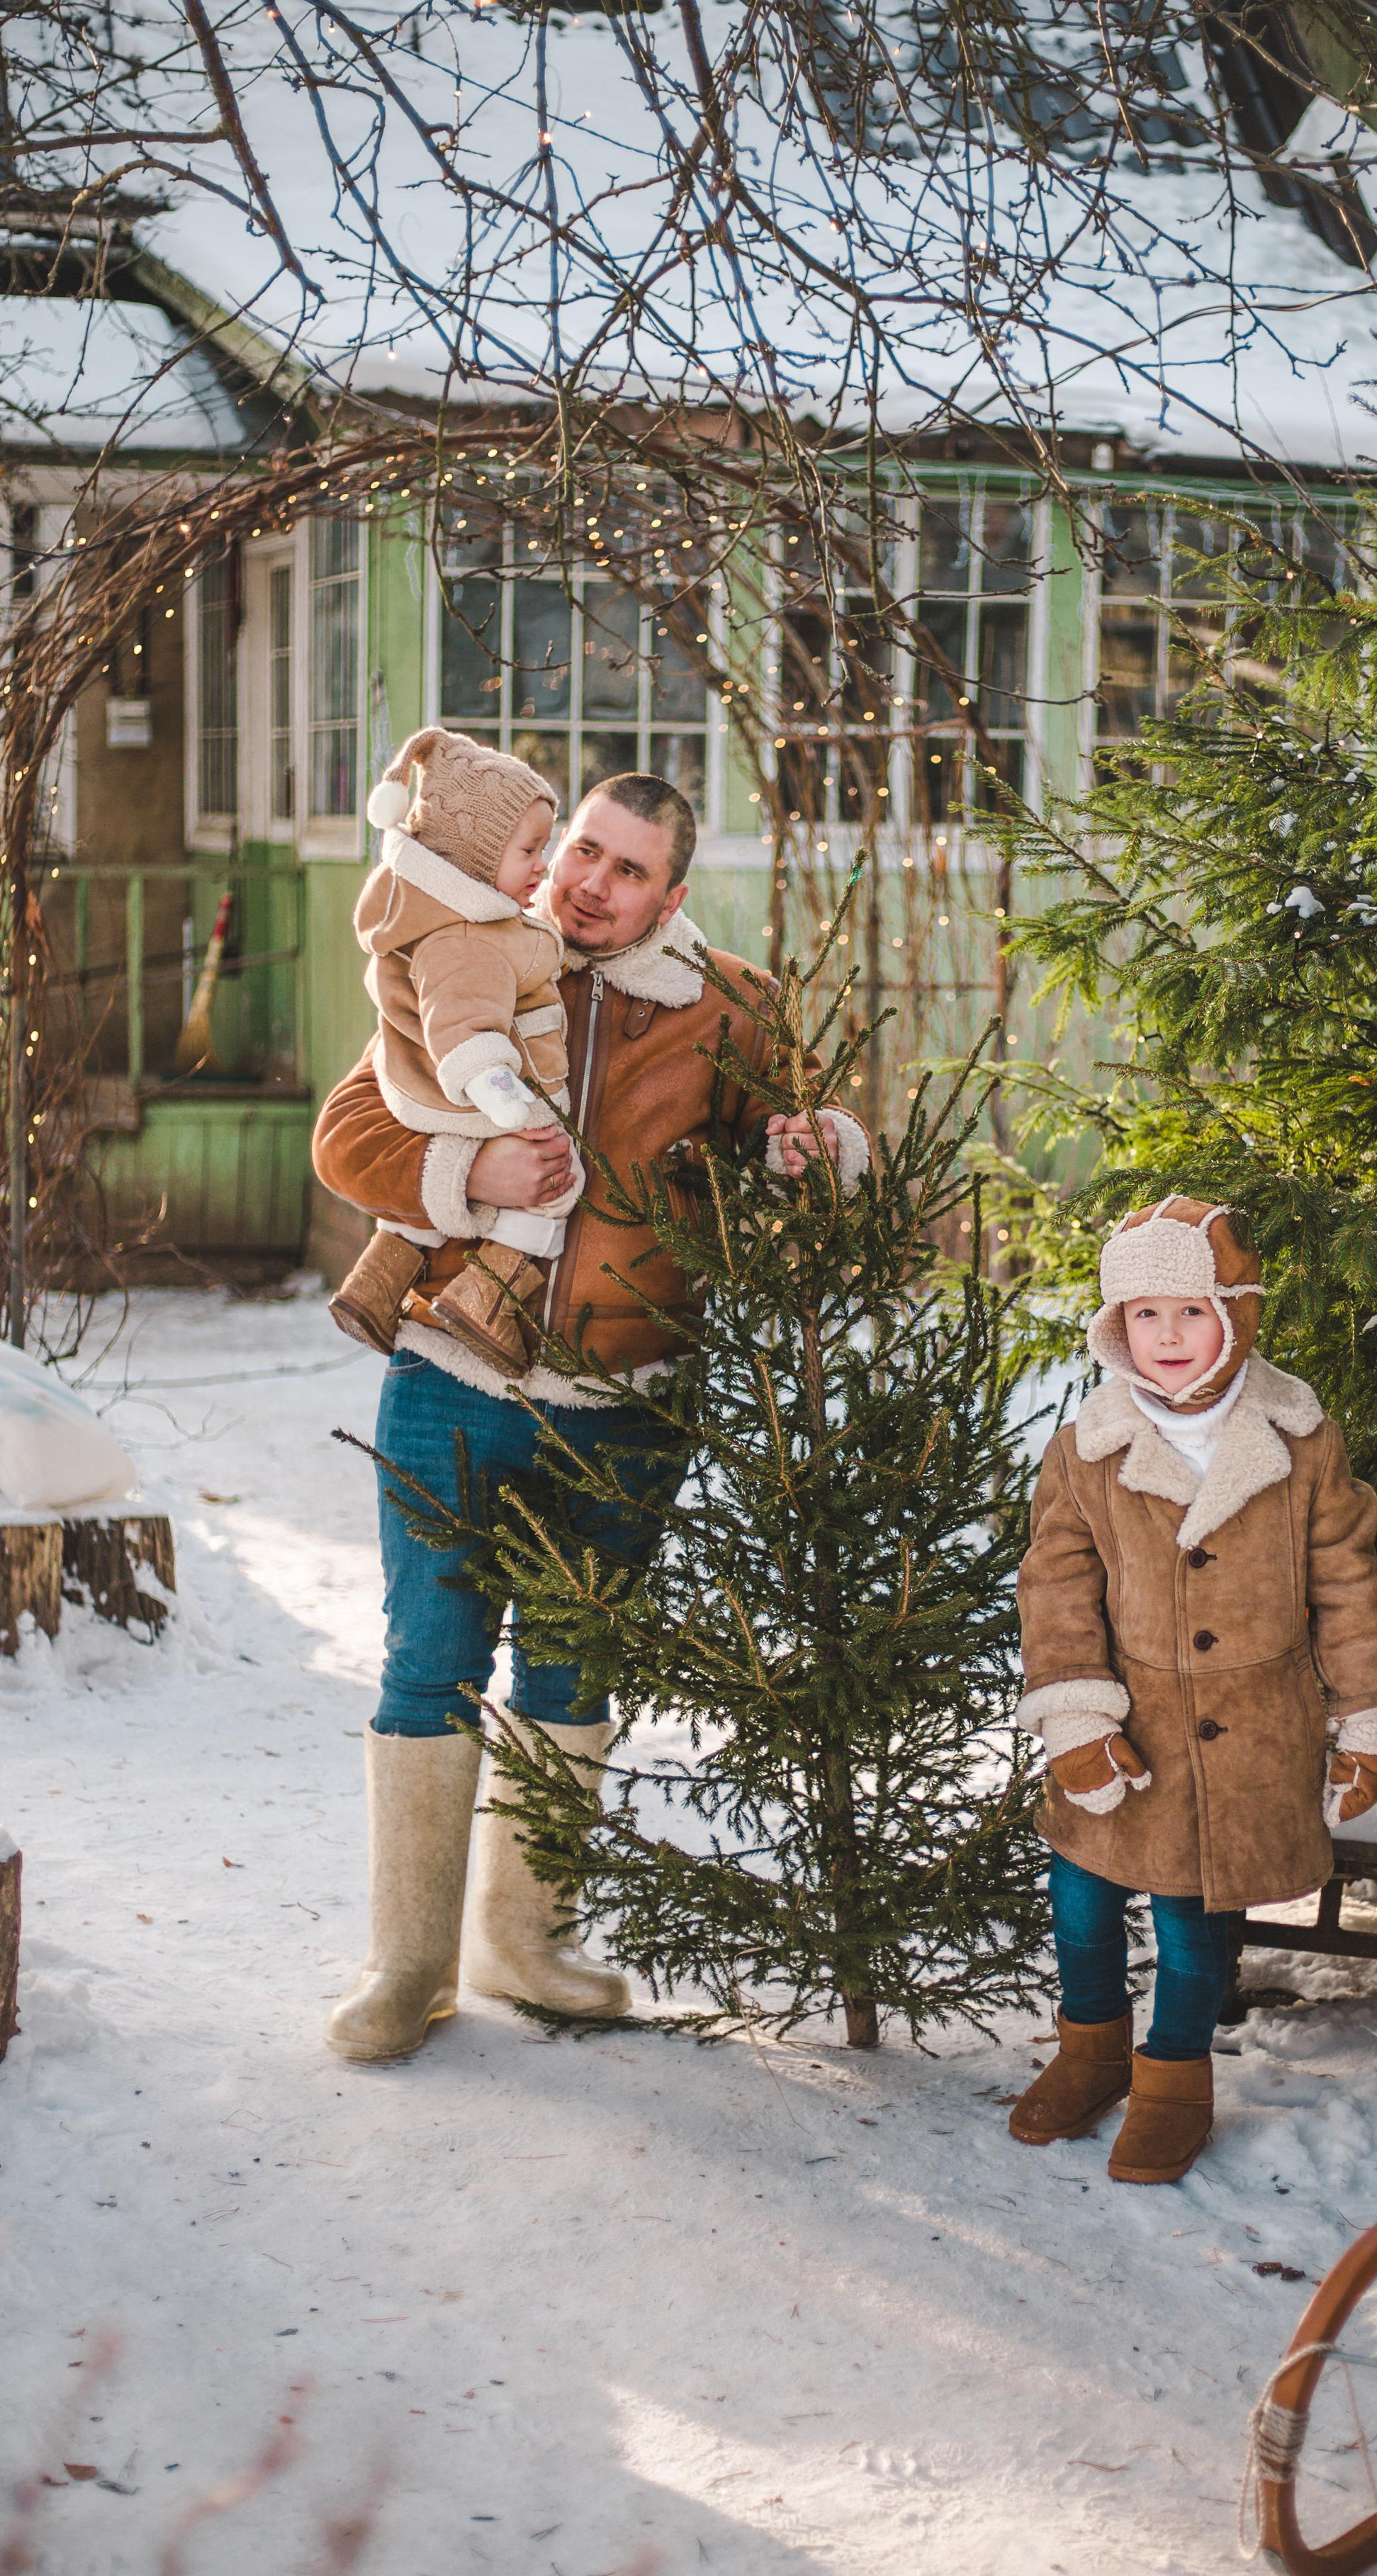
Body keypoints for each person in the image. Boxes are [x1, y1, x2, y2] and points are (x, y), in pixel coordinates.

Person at [312, 770, 867, 2063]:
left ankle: (527, 1944)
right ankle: (408, 1966)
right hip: (448, 1380)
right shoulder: (473, 949)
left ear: (672, 897)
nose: (591, 885)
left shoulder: (728, 1006)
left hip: (624, 1406)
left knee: (572, 1671)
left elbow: (812, 1134)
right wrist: (472, 1169)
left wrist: (813, 1149)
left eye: (629, 871)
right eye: (582, 852)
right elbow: (346, 1135)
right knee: (428, 1660)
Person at [1009, 1197, 1377, 2184]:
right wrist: (1076, 1716)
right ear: (1117, 1326)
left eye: (1191, 1312)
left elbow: (1349, 1587)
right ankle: (1090, 2050)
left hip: (1251, 1733)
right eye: (1145, 1314)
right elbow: (1056, 1590)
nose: (1168, 1336)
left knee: (1194, 1927)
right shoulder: (1089, 1447)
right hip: (1126, 1728)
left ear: (1235, 1314)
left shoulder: (1301, 1440)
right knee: (1082, 1903)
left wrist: (1367, 1718)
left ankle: (1174, 2081)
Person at [327, 727, 580, 1377]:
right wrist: (500, 1091)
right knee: (558, 1181)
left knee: (427, 1209)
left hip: (425, 1090)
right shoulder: (471, 937)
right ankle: (485, 1300)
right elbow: (465, 1019)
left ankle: (377, 1283)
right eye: (530, 851)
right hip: (483, 1093)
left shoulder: (438, 919)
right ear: (476, 858)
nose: (543, 865)